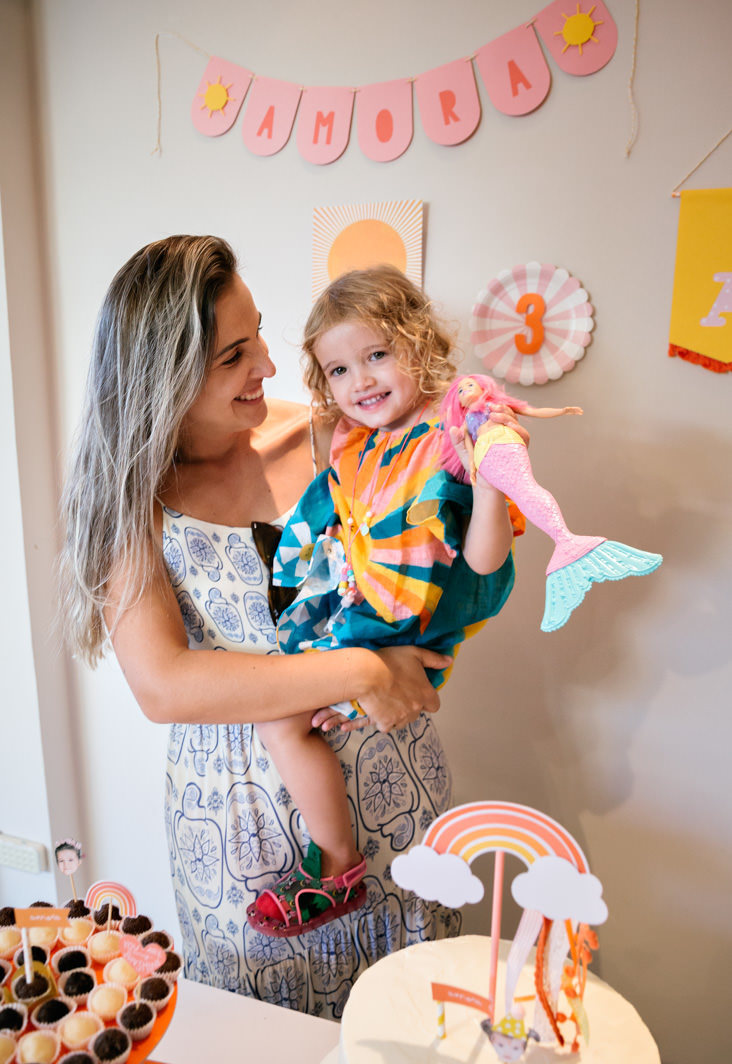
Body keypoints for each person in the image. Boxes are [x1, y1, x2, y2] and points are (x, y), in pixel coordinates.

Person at [58, 235, 473, 1018]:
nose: (270, 367)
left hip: (392, 787)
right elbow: (165, 684)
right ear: (165, 375)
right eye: (234, 356)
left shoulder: (333, 436)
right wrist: (363, 670)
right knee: (270, 1041)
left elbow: (427, 553)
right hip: (240, 826)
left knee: (416, 1026)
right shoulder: (132, 499)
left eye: (257, 337)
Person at [248, 267, 528, 937]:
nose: (361, 381)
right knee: (290, 713)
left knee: (278, 719)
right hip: (370, 618)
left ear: (421, 344)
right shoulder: (361, 438)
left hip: (406, 628)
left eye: (378, 354)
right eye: (339, 370)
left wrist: (492, 484)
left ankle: (335, 867)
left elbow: (487, 564)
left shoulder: (455, 435)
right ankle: (335, 858)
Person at [441, 373, 662, 632]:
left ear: (483, 387)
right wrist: (474, 468)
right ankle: (567, 543)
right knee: (525, 491)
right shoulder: (465, 423)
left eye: (470, 385)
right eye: (460, 391)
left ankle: (566, 540)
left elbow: (532, 411)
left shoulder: (494, 409)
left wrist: (562, 411)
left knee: (526, 489)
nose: (465, 391)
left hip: (503, 446)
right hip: (487, 456)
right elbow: (469, 444)